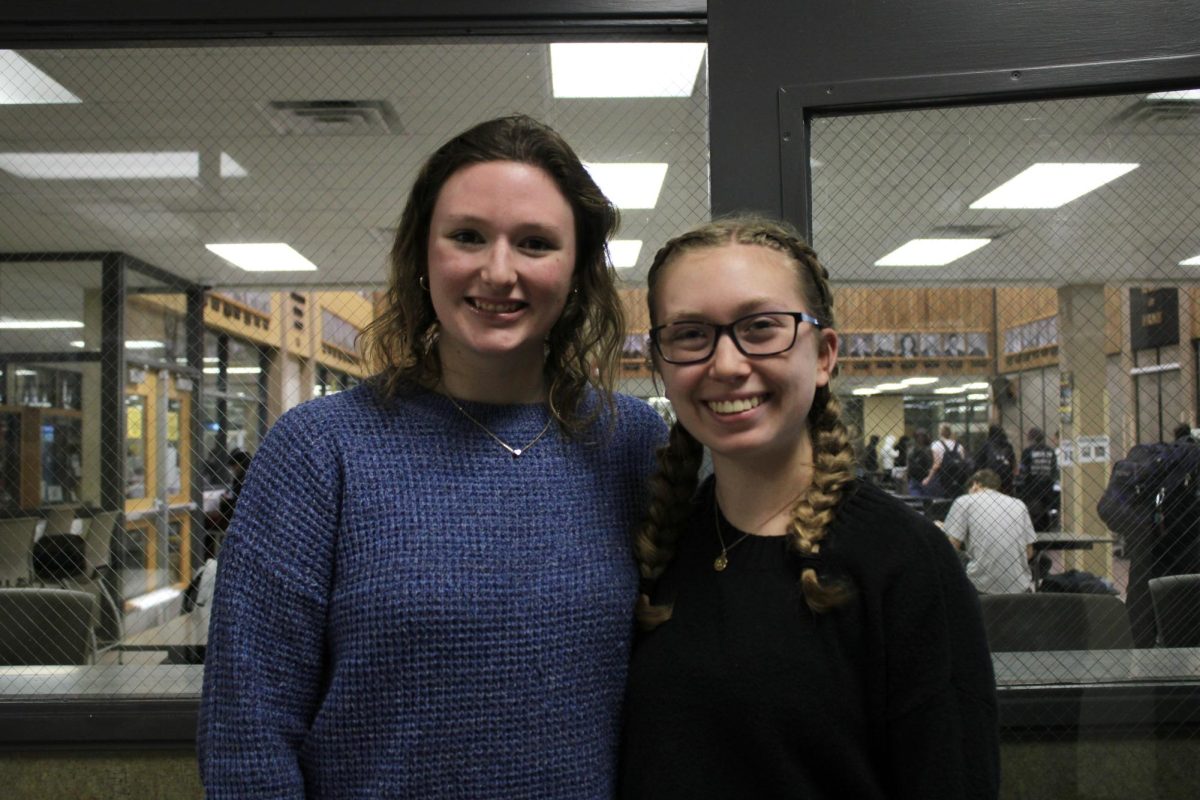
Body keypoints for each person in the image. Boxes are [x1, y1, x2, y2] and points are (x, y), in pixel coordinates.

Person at [198, 115, 667, 798]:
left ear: (577, 270)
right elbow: (247, 730)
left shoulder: (632, 446)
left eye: (535, 243)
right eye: (467, 236)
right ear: (423, 252)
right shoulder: (320, 450)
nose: (498, 271)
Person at [620, 217, 998, 799]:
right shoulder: (658, 545)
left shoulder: (903, 562)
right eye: (691, 334)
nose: (725, 364)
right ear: (662, 364)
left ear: (823, 355)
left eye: (762, 327)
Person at [942, 469, 1037, 594]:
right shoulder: (1019, 504)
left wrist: (941, 530)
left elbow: (951, 548)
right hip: (1020, 589)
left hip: (981, 588)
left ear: (976, 484)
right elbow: (1029, 553)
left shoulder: (964, 501)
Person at [1019, 427, 1058, 531]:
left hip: (1032, 489)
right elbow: (1054, 470)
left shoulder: (1027, 452)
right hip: (1048, 488)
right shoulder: (1051, 451)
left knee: (1033, 517)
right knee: (1045, 515)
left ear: (1031, 438)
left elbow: (1023, 470)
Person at [923, 422, 969, 498]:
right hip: (957, 480)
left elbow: (936, 464)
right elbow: (963, 462)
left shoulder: (936, 445)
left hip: (942, 480)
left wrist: (928, 478)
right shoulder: (959, 446)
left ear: (940, 432)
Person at [974, 424, 1016, 495]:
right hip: (1007, 481)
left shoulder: (986, 445)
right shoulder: (1008, 445)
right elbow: (1012, 464)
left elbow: (978, 463)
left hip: (991, 480)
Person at [907, 427, 933, 496]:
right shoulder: (912, 448)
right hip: (914, 478)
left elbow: (931, 465)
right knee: (915, 501)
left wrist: (929, 478)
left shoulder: (930, 449)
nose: (920, 438)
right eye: (918, 436)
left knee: (925, 502)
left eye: (922, 436)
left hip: (925, 479)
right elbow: (909, 463)